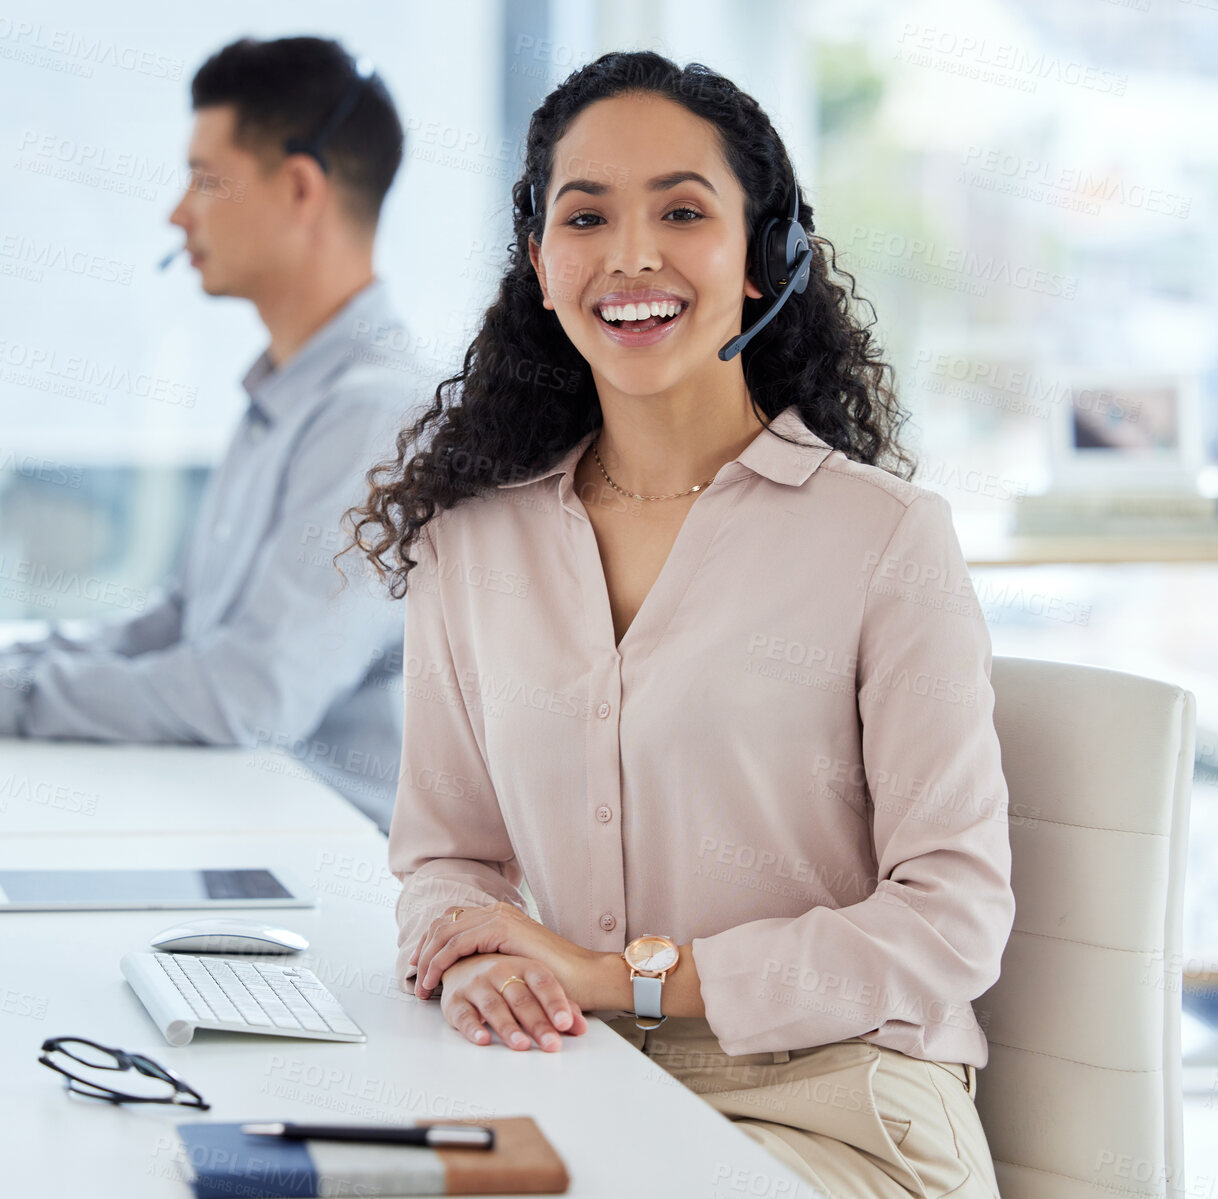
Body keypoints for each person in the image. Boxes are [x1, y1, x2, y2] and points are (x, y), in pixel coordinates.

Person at [344, 52, 1012, 1198]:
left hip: (840, 1105)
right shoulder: (474, 542)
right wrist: (472, 958)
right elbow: (447, 855)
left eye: (683, 212)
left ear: (763, 260)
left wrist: (622, 977)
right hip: (577, 1080)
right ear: (541, 266)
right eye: (586, 214)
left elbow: (950, 918)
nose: (631, 254)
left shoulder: (883, 538)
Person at [0, 37, 418, 832]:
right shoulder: (287, 395)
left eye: (203, 179)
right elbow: (178, 623)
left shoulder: (375, 416)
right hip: (241, 815)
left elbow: (249, 694)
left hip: (331, 863)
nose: (176, 213)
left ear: (299, 188)